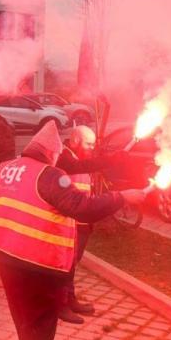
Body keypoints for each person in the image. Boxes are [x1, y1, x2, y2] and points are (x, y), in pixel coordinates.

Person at [0, 121, 148, 340]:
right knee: (41, 326)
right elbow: (82, 207)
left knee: (23, 318)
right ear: (51, 152)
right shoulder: (49, 174)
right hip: (36, 263)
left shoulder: (5, 168)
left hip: (5, 257)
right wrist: (122, 197)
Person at [55, 125, 124, 324]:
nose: (91, 148)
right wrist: (109, 161)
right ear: (75, 141)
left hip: (83, 222)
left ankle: (71, 299)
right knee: (64, 265)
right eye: (88, 143)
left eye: (93, 144)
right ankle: (61, 305)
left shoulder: (80, 158)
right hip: (69, 223)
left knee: (72, 265)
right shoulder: (64, 157)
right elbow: (76, 169)